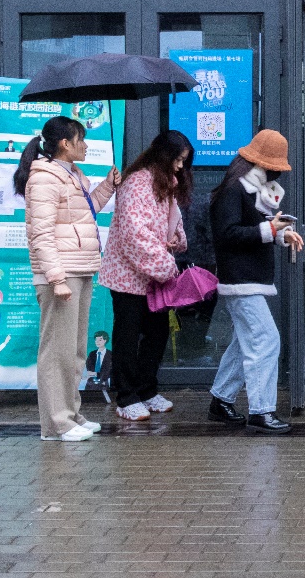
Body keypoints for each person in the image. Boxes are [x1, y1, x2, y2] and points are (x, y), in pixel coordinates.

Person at [13, 115, 120, 442]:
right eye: (80, 139)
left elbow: (86, 213)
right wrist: (56, 278)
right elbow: (41, 234)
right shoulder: (45, 178)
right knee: (56, 352)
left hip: (80, 268)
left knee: (73, 351)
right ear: (64, 143)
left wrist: (107, 186)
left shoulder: (72, 174)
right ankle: (56, 425)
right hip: (61, 274)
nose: (85, 145)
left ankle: (71, 415)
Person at [207, 129, 305, 435]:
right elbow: (228, 234)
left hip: (245, 278)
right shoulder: (235, 190)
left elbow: (252, 230)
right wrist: (272, 231)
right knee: (266, 340)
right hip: (241, 279)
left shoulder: (249, 189)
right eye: (274, 167)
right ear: (261, 165)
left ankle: (221, 401)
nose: (277, 173)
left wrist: (280, 233)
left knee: (245, 342)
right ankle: (261, 411)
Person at [98, 130, 193, 422]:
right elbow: (135, 234)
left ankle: (147, 390)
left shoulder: (164, 181)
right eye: (177, 159)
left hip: (153, 277)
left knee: (157, 333)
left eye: (183, 161)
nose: (180, 166)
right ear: (164, 156)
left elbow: (171, 223)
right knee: (128, 336)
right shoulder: (137, 182)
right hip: (128, 276)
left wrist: (175, 240)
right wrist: (166, 266)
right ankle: (126, 397)